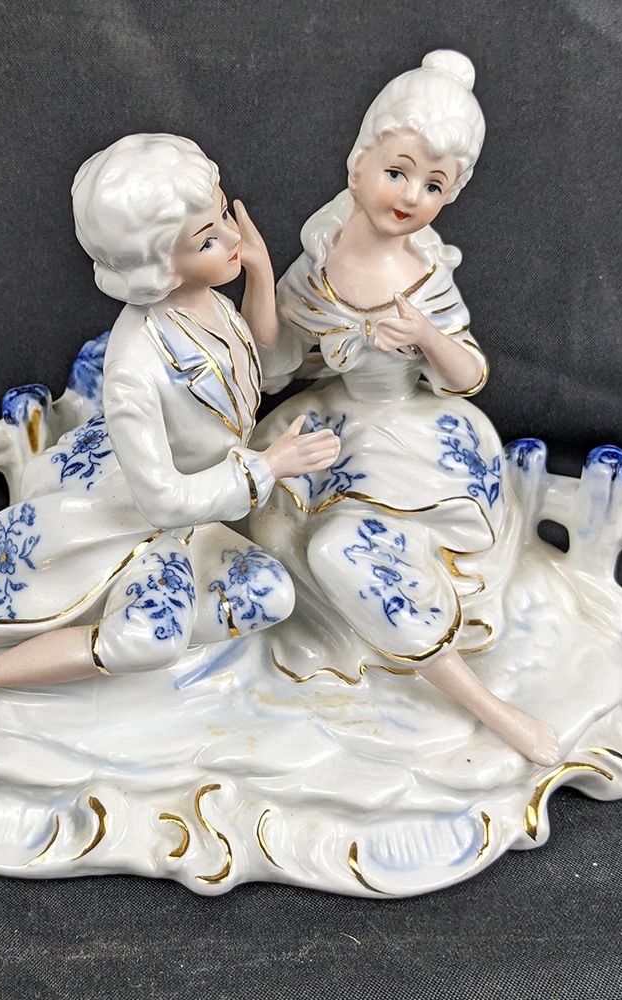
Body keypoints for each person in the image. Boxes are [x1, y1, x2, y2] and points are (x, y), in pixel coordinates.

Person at [0, 133, 339, 708]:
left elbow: (262, 359)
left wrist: (261, 273)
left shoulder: (210, 303)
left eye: (225, 214)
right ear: (156, 266)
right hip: (131, 522)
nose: (231, 239)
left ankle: (146, 654)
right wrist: (267, 467)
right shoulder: (135, 365)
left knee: (270, 596)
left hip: (202, 504)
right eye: (207, 239)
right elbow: (162, 502)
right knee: (150, 639)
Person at [249, 51, 560, 765]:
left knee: (341, 551)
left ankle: (484, 704)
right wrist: (262, 280)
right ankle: (343, 642)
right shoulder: (316, 270)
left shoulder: (426, 277)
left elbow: (469, 374)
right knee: (262, 521)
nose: (411, 195)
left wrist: (426, 335)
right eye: (399, 171)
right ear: (358, 163)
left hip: (413, 435)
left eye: (434, 185)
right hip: (335, 421)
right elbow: (275, 364)